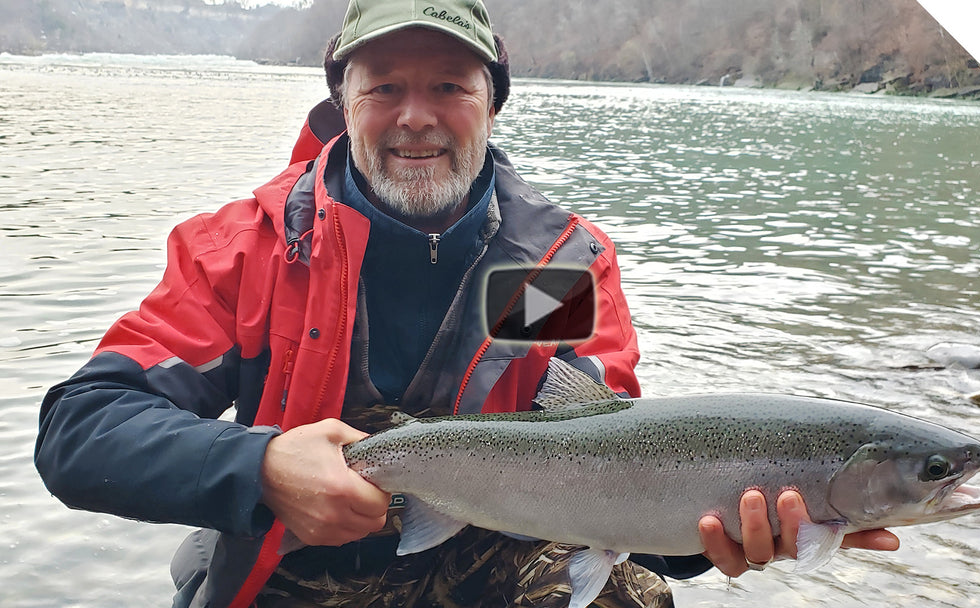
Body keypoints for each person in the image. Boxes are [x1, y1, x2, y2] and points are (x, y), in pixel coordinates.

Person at [35, 0, 898, 606]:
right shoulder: (249, 249)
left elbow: (615, 456)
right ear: (343, 103)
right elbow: (82, 429)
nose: (417, 117)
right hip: (293, 565)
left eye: (450, 85)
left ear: (491, 104)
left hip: (500, 555)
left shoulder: (550, 266)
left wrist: (716, 541)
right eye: (384, 88)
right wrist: (257, 467)